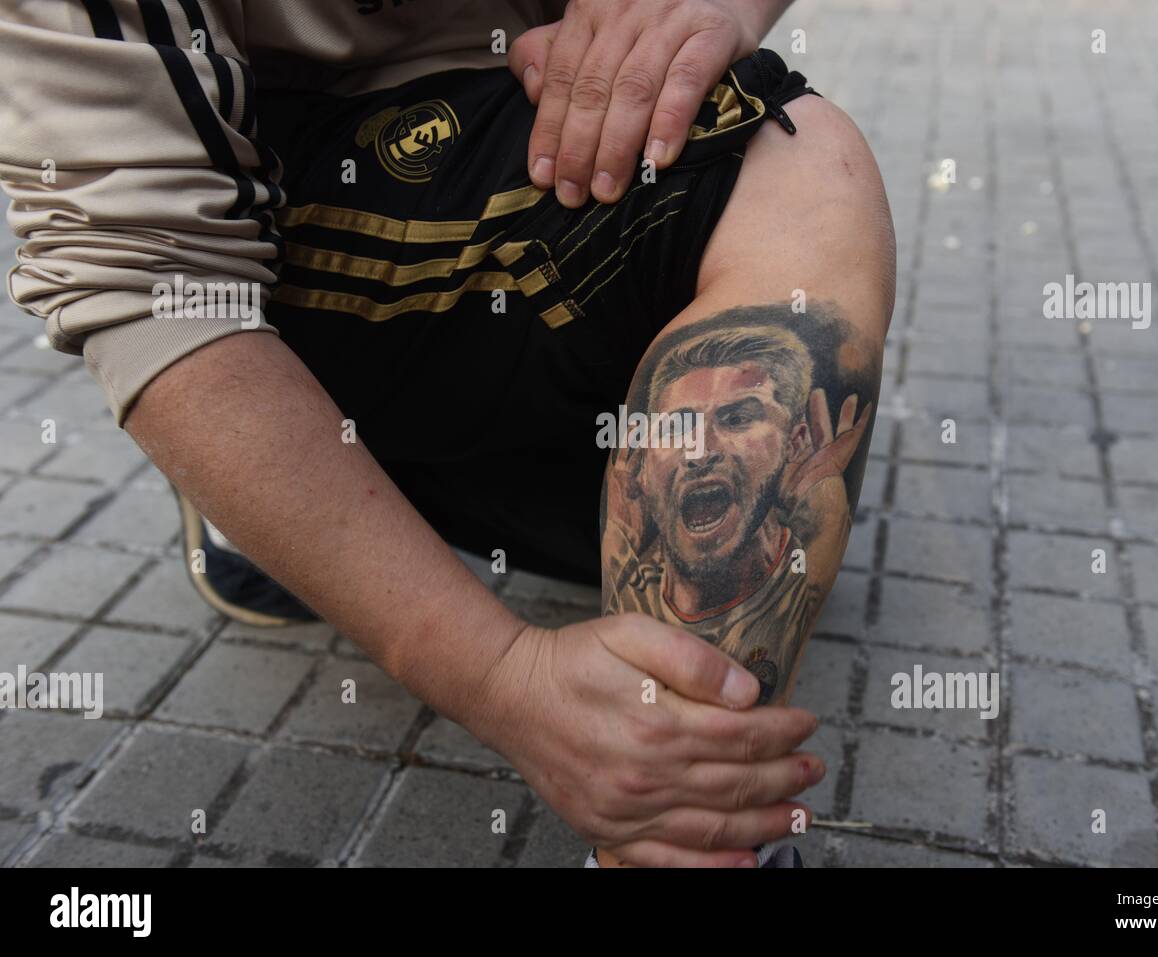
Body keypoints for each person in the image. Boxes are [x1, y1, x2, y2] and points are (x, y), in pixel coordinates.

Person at [0, 0, 895, 867]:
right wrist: (504, 676)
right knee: (802, 163)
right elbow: (152, 276)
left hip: (541, 118)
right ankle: (672, 844)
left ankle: (325, 484)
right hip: (288, 183)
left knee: (738, 537)